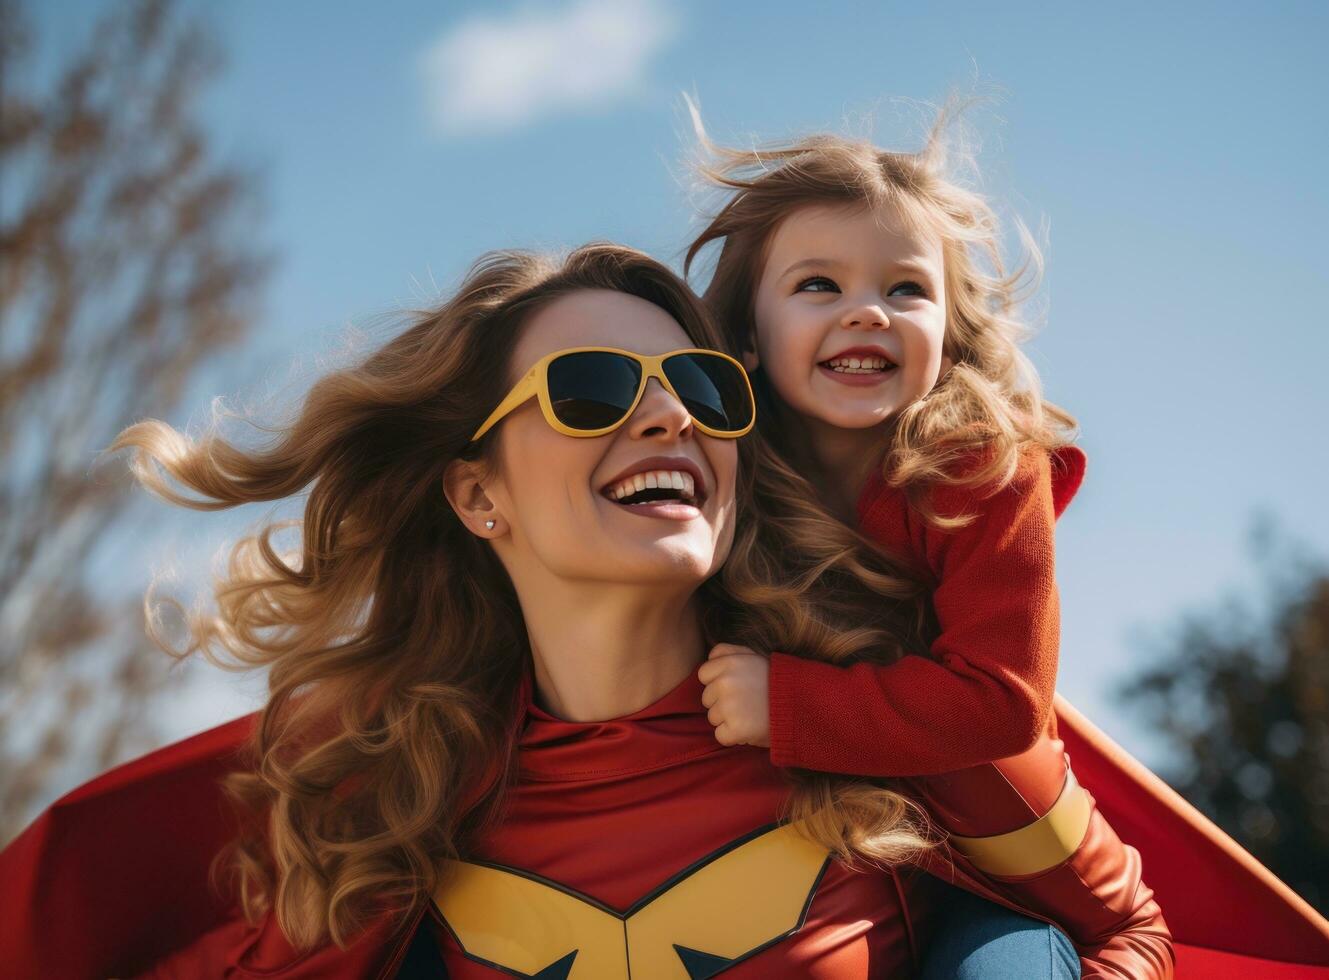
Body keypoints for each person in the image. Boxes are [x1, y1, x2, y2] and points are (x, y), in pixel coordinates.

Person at [0, 244, 1092, 978]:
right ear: (479, 494)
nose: (668, 413)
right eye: (592, 388)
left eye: (705, 387)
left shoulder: (902, 725)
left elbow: (1133, 934)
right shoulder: (384, 811)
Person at [681, 95, 1329, 976]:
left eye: (905, 288)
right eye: (818, 285)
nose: (867, 311)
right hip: (857, 857)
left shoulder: (979, 468)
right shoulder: (719, 476)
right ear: (747, 335)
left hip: (1029, 894)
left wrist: (784, 705)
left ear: (948, 332)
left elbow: (1001, 700)